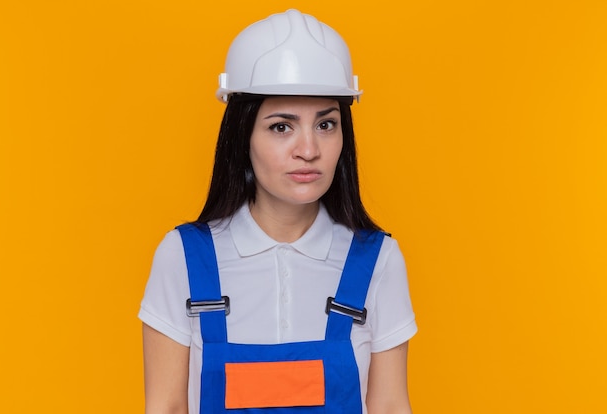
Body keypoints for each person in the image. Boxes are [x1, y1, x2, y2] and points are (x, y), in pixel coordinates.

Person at [139, 9, 417, 414]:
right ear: (242, 136)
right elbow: (164, 406)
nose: (308, 150)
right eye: (281, 126)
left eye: (326, 124)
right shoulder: (183, 257)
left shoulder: (377, 262)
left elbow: (391, 406)